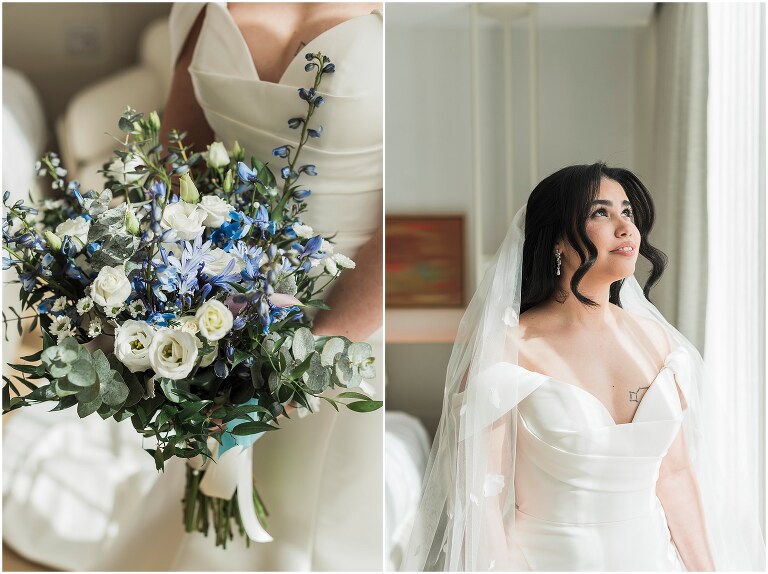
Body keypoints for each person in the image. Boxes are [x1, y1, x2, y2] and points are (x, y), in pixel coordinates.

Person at [2, 3, 383, 571]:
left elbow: (402, 220)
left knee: (308, 531)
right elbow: (176, 165)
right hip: (215, 316)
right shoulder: (206, 9)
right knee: (206, 529)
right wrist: (162, 308)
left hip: (345, 332)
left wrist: (295, 364)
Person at [400, 163, 766, 571]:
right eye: (600, 213)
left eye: (627, 212)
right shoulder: (507, 350)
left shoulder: (657, 342)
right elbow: (481, 501)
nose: (625, 227)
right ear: (558, 240)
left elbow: (675, 477)